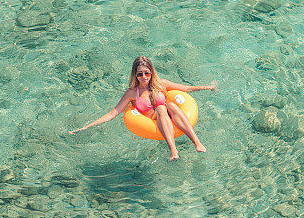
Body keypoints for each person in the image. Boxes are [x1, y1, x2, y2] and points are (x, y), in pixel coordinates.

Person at [68, 56, 215, 161]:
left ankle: (197, 142)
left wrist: (207, 87)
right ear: (135, 75)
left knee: (169, 105)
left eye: (147, 73)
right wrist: (86, 127)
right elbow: (113, 113)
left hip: (170, 116)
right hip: (153, 120)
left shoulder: (161, 84)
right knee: (162, 109)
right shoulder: (132, 93)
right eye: (140, 74)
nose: (144, 77)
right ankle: (173, 149)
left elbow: (187, 88)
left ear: (151, 73)